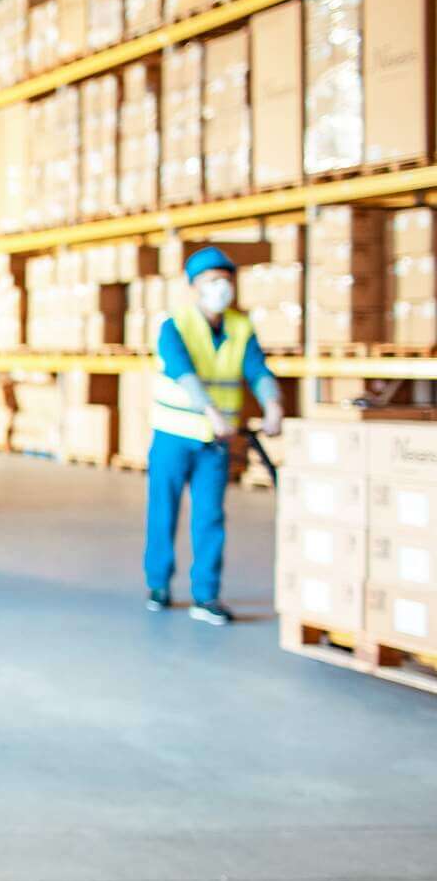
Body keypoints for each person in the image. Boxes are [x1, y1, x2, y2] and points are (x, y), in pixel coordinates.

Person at [145, 245, 285, 626]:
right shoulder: (174, 326)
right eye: (211, 281)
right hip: (174, 436)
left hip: (214, 444)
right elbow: (183, 372)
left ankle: (206, 595)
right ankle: (158, 584)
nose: (220, 288)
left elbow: (258, 370)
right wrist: (210, 412)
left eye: (225, 281)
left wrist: (273, 404)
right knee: (164, 511)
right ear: (194, 287)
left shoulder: (241, 327)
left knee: (210, 517)